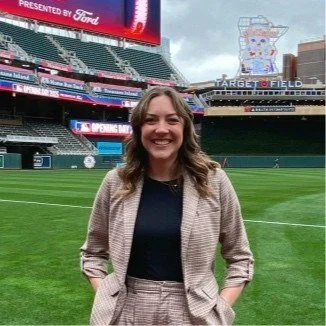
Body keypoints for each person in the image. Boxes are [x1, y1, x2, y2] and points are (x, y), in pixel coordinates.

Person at [80, 86, 254, 325]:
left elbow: (240, 258)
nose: (161, 129)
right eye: (150, 120)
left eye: (172, 120)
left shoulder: (213, 181)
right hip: (127, 310)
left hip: (194, 313)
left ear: (185, 127)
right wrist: (106, 295)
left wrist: (220, 309)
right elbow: (92, 253)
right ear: (139, 128)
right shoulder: (116, 181)